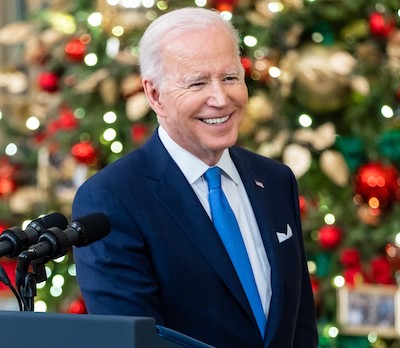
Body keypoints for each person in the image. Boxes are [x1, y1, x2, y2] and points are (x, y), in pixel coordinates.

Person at [72, 7, 318, 348]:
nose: (220, 99)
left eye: (230, 78)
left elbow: (300, 326)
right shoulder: (111, 199)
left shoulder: (275, 180)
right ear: (155, 94)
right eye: (198, 83)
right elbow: (136, 343)